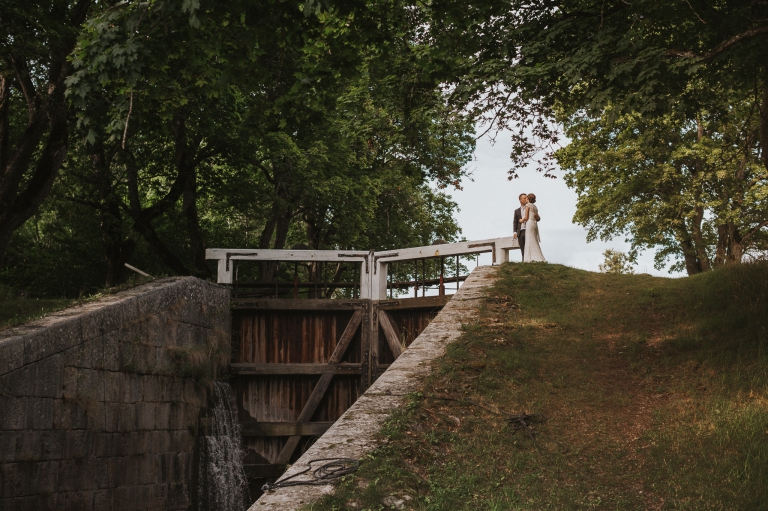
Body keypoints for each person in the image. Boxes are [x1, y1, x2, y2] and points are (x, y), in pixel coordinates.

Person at [513, 193, 540, 261]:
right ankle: (524, 261)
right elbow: (515, 222)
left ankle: (532, 260)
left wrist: (537, 217)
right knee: (522, 247)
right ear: (520, 200)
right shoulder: (516, 211)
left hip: (528, 229)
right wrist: (515, 232)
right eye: (524, 198)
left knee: (530, 245)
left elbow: (537, 218)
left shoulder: (530, 206)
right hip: (520, 231)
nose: (525, 199)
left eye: (526, 198)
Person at [520, 193, 546, 262]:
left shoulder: (527, 206)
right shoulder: (535, 207)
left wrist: (521, 220)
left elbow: (526, 217)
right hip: (534, 224)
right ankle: (535, 258)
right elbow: (537, 217)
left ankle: (529, 259)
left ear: (528, 199)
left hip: (529, 224)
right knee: (534, 240)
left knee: (529, 240)